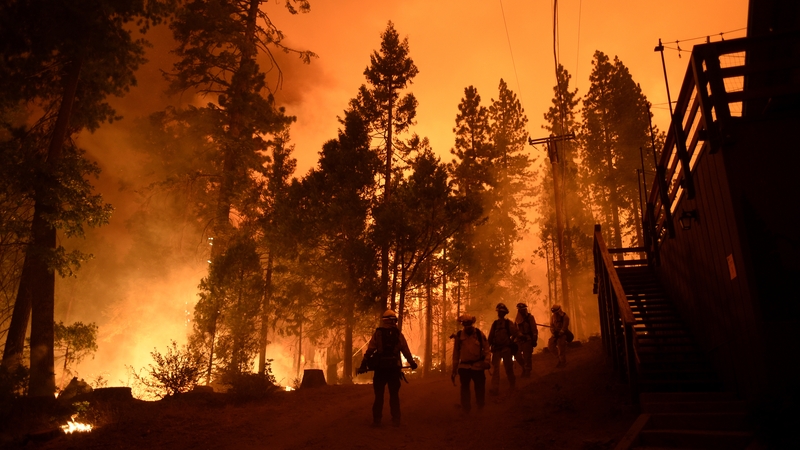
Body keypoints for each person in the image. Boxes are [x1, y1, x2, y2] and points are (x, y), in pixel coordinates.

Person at [357, 310, 417, 427]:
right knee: (394, 395)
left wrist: (363, 364)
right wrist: (412, 362)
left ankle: (377, 420)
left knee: (379, 396)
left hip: (380, 369)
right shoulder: (398, 334)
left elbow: (370, 350)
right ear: (393, 321)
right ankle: (396, 419)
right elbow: (405, 350)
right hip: (394, 369)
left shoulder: (378, 333)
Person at [451, 314, 490, 413]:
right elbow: (456, 353)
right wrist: (454, 369)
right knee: (464, 388)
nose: (467, 326)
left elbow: (486, 349)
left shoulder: (479, 334)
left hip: (478, 366)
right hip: (464, 367)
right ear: (463, 325)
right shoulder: (459, 336)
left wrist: (486, 362)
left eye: (469, 324)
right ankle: (466, 409)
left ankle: (480, 407)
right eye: (465, 324)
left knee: (480, 387)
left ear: (472, 323)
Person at [487, 302, 521, 395]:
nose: (499, 313)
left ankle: (512, 385)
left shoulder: (508, 323)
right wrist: (486, 348)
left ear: (504, 313)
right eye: (499, 312)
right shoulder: (495, 324)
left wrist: (521, 336)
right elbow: (490, 337)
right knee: (495, 370)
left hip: (506, 349)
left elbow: (515, 332)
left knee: (508, 368)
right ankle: (494, 388)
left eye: (501, 312)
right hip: (496, 349)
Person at [514, 302, 538, 378]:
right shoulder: (517, 319)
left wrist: (534, 339)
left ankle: (527, 370)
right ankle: (524, 367)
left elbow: (534, 329)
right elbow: (515, 330)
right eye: (520, 309)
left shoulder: (530, 318)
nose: (521, 311)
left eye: (523, 309)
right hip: (519, 339)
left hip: (527, 339)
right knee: (517, 354)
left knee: (527, 356)